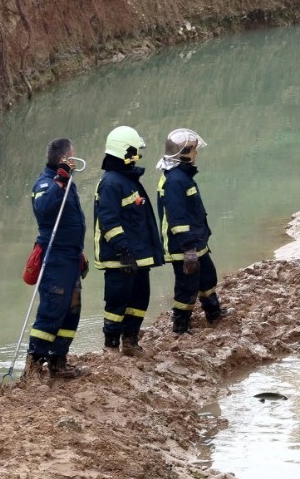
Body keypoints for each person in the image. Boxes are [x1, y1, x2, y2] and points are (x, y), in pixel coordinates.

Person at [94, 126, 164, 356]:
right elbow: (108, 221)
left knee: (139, 299)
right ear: (124, 151)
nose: (137, 156)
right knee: (116, 303)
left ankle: (131, 342)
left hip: (138, 256)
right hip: (121, 259)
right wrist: (123, 250)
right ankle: (111, 346)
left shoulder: (127, 180)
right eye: (134, 152)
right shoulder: (111, 183)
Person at [156, 128, 231, 334]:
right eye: (194, 150)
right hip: (184, 245)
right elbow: (177, 219)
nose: (196, 154)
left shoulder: (181, 176)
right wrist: (188, 248)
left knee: (207, 277)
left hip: (196, 241)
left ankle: (214, 313)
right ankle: (180, 327)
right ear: (184, 153)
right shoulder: (175, 180)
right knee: (186, 286)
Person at [25, 138, 88, 379]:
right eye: (73, 155)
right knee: (52, 310)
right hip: (54, 258)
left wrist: (78, 253)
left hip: (70, 256)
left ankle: (58, 361)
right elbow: (43, 208)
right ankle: (33, 366)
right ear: (64, 159)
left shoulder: (68, 183)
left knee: (72, 310)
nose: (75, 159)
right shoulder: (45, 183)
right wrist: (60, 180)